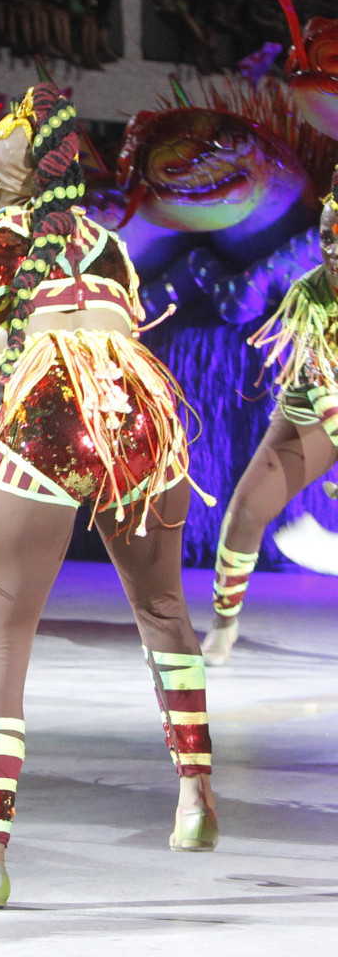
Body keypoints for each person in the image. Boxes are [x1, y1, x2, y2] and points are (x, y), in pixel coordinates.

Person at [0, 86, 216, 908]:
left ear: (4, 175)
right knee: (163, 608)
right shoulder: (109, 244)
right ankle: (196, 796)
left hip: (49, 414)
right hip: (136, 412)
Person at [202, 167, 338, 664]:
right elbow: (319, 386)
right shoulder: (308, 295)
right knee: (247, 508)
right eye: (327, 237)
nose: (333, 250)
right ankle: (224, 623)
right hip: (312, 415)